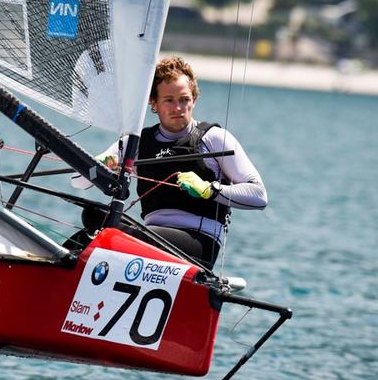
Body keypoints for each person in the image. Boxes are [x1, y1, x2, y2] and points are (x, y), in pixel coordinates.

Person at [72, 57, 267, 269]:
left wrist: (209, 190)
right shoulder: (136, 142)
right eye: (169, 100)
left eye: (184, 99)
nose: (178, 107)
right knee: (93, 215)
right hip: (150, 235)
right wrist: (101, 165)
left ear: (194, 100)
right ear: (154, 103)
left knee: (116, 231)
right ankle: (63, 265)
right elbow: (78, 182)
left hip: (198, 244)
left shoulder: (214, 139)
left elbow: (259, 195)